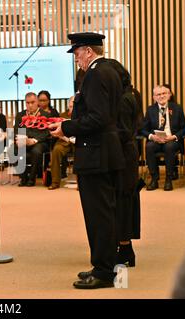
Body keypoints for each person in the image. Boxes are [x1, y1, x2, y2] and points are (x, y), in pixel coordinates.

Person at [49, 32, 125, 289]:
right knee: (105, 212)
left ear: (88, 51)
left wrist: (66, 127)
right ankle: (104, 265)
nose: (76, 59)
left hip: (96, 153)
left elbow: (97, 118)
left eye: (77, 53)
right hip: (105, 151)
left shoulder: (94, 74)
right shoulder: (110, 70)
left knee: (99, 215)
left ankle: (104, 273)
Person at [108, 58, 143, 268]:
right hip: (126, 154)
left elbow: (121, 132)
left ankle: (124, 248)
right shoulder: (129, 94)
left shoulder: (122, 99)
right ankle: (125, 249)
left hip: (123, 156)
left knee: (122, 201)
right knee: (124, 201)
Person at [140, 85, 185, 191]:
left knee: (169, 147)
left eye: (164, 93)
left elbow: (184, 128)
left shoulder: (177, 108)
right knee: (149, 146)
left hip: (171, 140)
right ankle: (154, 179)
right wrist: (152, 136)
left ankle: (168, 179)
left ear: (169, 95)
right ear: (154, 97)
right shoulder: (150, 110)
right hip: (156, 140)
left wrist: (173, 137)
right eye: (158, 94)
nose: (161, 96)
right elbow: (143, 129)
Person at [14, 92, 51, 187]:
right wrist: (24, 139)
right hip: (24, 141)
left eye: (32, 102)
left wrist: (33, 140)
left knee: (36, 151)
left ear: (37, 102)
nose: (30, 105)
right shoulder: (20, 115)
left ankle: (32, 178)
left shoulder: (45, 115)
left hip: (40, 142)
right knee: (15, 150)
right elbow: (17, 130)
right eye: (28, 103)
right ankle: (23, 177)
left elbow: (46, 133)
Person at [48, 96, 75, 190]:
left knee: (81, 152)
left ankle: (81, 183)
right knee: (56, 150)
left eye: (74, 106)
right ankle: (55, 182)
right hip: (64, 140)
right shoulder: (62, 115)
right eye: (71, 106)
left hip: (77, 141)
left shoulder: (82, 115)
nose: (72, 108)